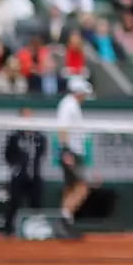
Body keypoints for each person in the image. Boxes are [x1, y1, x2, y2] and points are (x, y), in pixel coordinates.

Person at [57, 76, 94, 237]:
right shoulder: (68, 105)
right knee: (82, 187)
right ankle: (65, 220)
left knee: (71, 187)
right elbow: (62, 129)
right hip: (71, 152)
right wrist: (66, 152)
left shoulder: (72, 105)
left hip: (74, 152)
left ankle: (66, 223)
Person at [3, 107, 46, 237]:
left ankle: (37, 230)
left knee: (36, 203)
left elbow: (42, 153)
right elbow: (7, 154)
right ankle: (9, 230)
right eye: (25, 116)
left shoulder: (39, 137)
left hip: (34, 175)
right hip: (18, 175)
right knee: (14, 202)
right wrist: (16, 166)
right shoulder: (14, 137)